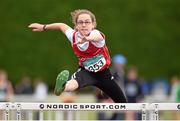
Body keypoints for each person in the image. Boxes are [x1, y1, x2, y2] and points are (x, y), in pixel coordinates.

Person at [28, 9, 127, 103]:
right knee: (73, 84)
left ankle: (108, 96)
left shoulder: (96, 34)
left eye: (87, 22)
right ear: (76, 26)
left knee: (123, 103)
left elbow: (97, 36)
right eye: (80, 22)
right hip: (86, 72)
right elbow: (61, 25)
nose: (84, 25)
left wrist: (88, 38)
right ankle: (62, 87)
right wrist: (44, 27)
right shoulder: (73, 36)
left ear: (93, 25)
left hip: (104, 74)